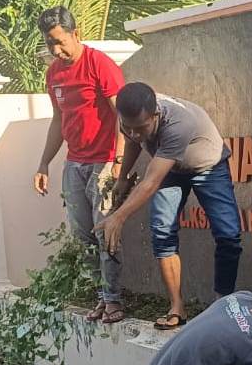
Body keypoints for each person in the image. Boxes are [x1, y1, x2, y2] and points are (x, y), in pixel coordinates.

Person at [95, 82, 241, 330]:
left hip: (208, 165)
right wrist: (122, 177)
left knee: (229, 234)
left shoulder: (178, 123)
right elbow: (132, 141)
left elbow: (151, 182)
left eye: (141, 128)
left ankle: (222, 305)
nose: (135, 134)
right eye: (129, 127)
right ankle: (177, 307)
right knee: (162, 232)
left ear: (156, 114)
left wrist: (118, 217)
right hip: (172, 168)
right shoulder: (131, 118)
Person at [33, 6, 127, 324]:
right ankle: (101, 297)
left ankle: (114, 300)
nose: (57, 50)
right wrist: (44, 162)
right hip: (75, 162)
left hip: (103, 160)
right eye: (50, 44)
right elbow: (59, 121)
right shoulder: (54, 74)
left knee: (105, 232)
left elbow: (122, 115)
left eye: (61, 41)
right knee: (82, 234)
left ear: (77, 33)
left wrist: (118, 160)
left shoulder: (99, 65)